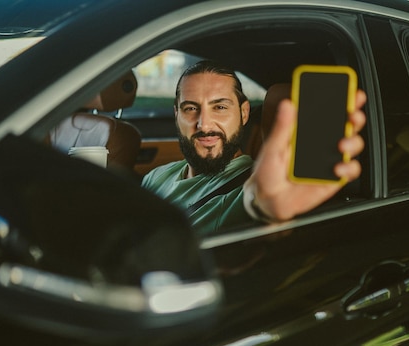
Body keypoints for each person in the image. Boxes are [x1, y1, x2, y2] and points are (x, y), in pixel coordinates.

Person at [141, 60, 366, 234]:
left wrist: (267, 206)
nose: (204, 123)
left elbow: (258, 200)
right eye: (190, 108)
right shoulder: (155, 177)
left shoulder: (251, 183)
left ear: (244, 113)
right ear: (176, 114)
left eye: (219, 107)